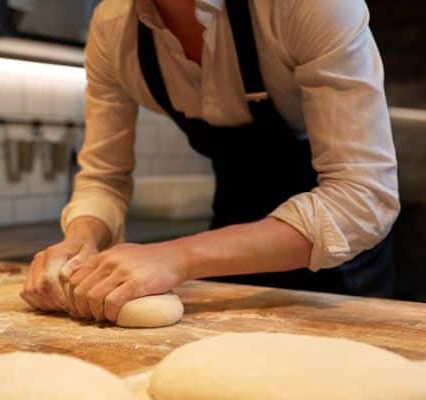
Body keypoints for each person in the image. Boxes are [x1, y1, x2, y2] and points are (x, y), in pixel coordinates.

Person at [21, 0, 399, 323]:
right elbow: (103, 178)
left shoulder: (305, 6)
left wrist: (178, 256)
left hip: (338, 254)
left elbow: (362, 197)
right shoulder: (113, 28)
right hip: (232, 226)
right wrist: (81, 239)